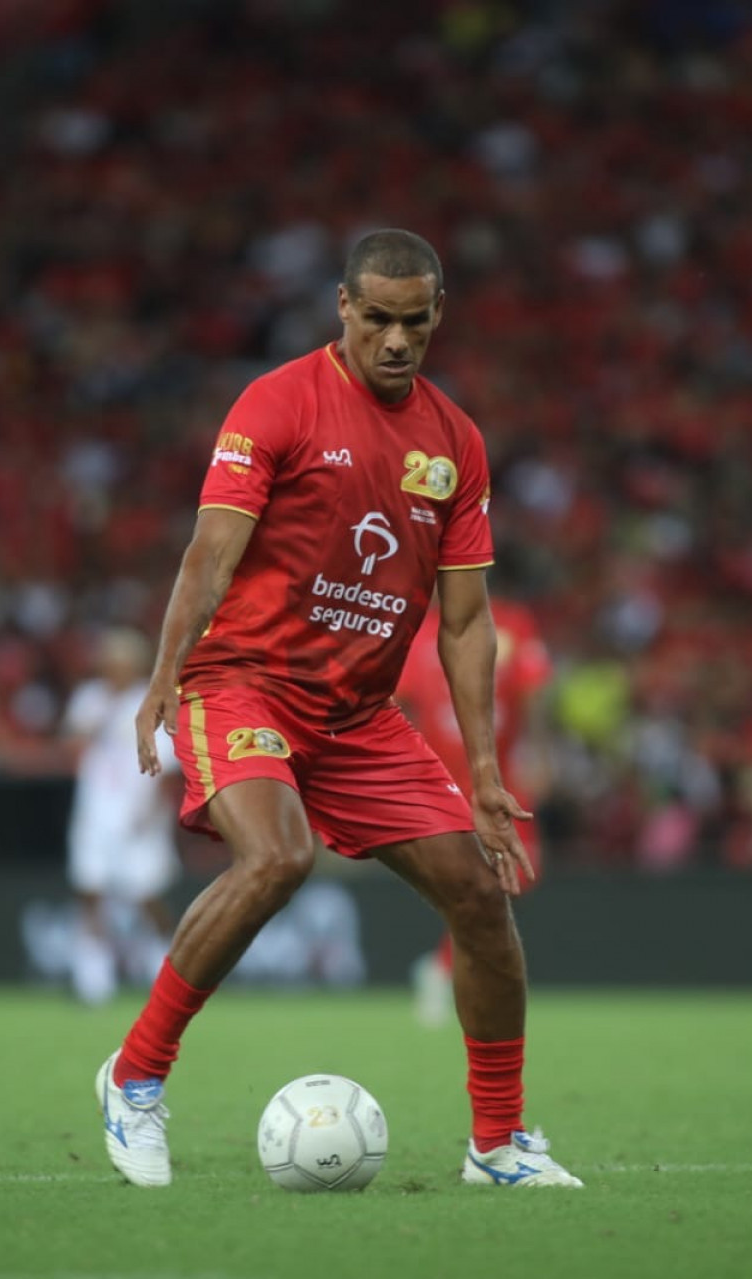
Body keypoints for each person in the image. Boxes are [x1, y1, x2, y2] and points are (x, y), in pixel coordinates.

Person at [96, 228, 582, 1188]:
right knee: (278, 855)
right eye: (378, 319)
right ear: (344, 308)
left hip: (359, 716)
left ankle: (498, 1145)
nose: (396, 341)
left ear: (438, 315)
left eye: (415, 321)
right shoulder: (276, 402)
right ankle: (136, 1075)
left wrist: (484, 770)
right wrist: (165, 671)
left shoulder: (455, 445)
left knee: (481, 894)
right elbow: (212, 551)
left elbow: (468, 625)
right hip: (243, 682)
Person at [396, 590, 553, 1027]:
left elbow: (534, 689)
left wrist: (539, 751)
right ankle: (452, 971)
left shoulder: (512, 622)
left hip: (501, 776)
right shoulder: (416, 628)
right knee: (466, 880)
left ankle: (443, 968)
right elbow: (401, 703)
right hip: (439, 772)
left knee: (518, 874)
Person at [64, 628, 179, 1006]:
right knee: (92, 893)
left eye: (122, 664)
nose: (115, 671)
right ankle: (94, 981)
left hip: (138, 815)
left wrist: (152, 811)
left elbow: (169, 767)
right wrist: (100, 718)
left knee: (146, 896)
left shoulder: (154, 700)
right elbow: (71, 747)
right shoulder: (90, 700)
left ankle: (167, 970)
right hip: (95, 814)